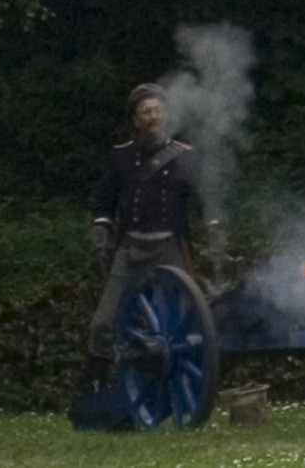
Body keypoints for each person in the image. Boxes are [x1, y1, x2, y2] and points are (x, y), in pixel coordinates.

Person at [82, 82, 208, 391]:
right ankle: (96, 386)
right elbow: (104, 202)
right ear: (136, 121)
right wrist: (101, 230)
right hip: (131, 248)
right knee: (103, 324)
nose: (152, 116)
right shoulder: (121, 157)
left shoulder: (186, 157)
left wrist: (215, 225)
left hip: (169, 247)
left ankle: (177, 386)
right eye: (145, 112)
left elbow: (206, 199)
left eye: (157, 110)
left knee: (179, 325)